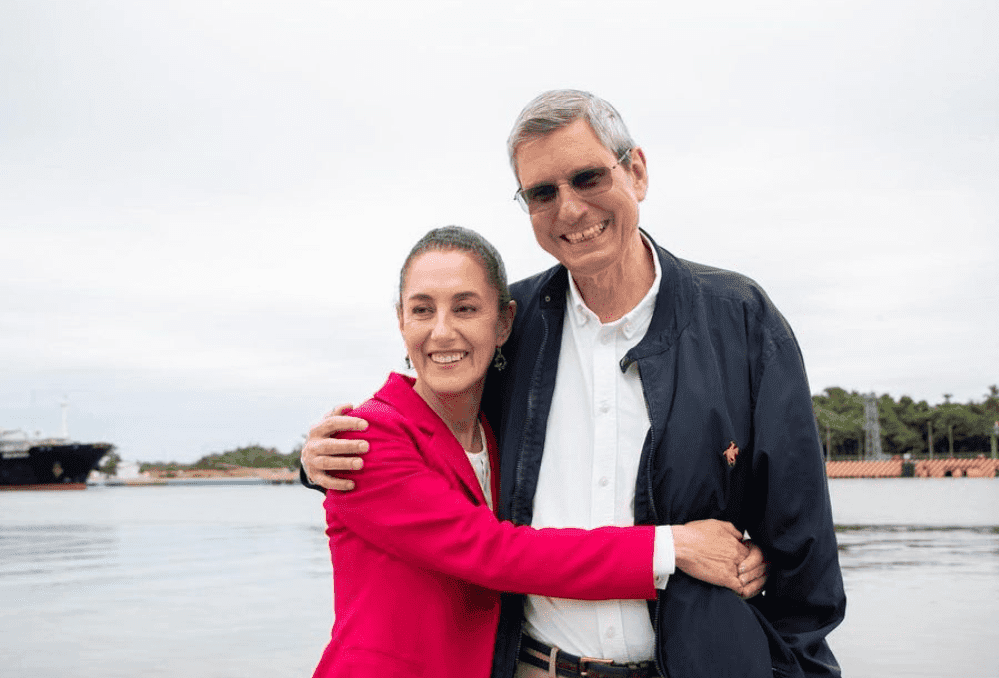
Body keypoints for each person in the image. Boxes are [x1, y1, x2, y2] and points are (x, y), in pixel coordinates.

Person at [305, 90, 844, 678]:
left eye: (588, 177)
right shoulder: (515, 329)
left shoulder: (739, 320)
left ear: (637, 172)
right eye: (542, 192)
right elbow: (434, 416)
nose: (569, 210)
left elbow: (803, 551)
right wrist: (315, 460)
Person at [311, 225, 768, 678]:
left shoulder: (494, 430)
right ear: (401, 321)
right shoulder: (366, 436)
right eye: (422, 310)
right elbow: (495, 553)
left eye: (465, 308)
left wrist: (746, 555)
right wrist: (673, 547)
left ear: (504, 323)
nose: (442, 331)